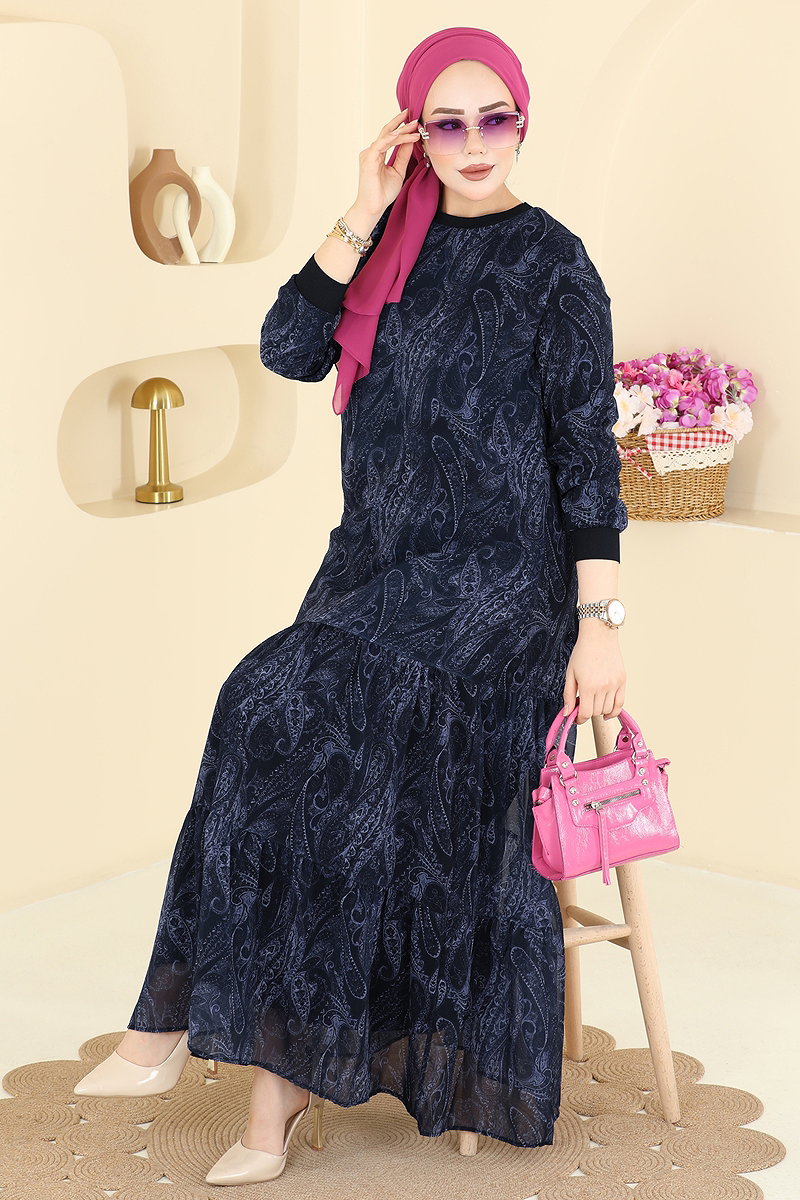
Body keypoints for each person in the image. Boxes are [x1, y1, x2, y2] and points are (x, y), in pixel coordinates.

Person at [73, 25, 628, 1185]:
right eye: (446, 121)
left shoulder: (555, 265)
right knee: (264, 705)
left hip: (498, 595)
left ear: (522, 122)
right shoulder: (390, 243)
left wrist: (598, 626)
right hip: (374, 577)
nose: (473, 142)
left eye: (493, 118)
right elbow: (287, 348)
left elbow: (586, 459)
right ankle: (191, 1049)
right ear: (413, 131)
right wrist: (360, 211)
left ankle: (244, 1092)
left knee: (331, 719)